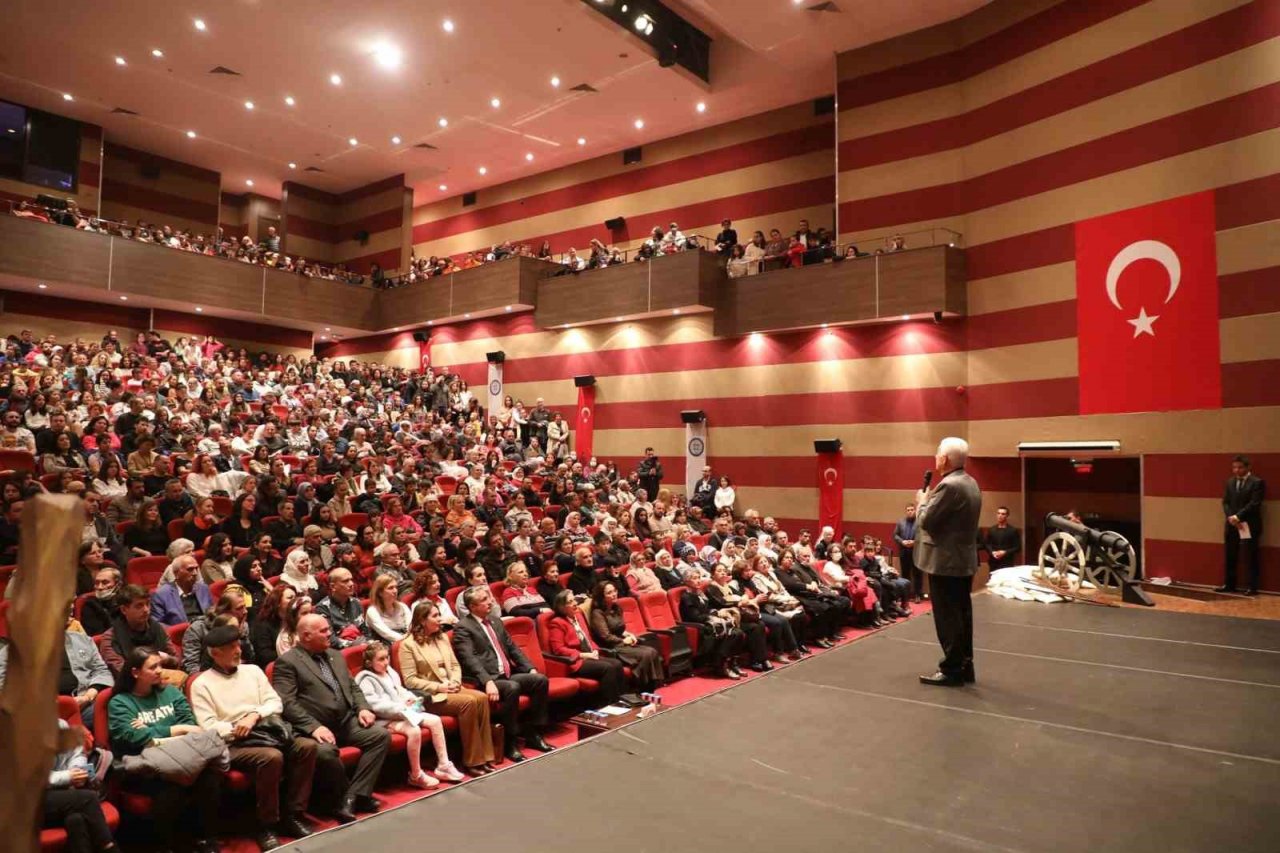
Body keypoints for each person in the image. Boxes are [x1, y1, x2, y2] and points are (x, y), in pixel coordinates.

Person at [190, 625, 318, 848]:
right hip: (234, 743)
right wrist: (238, 727)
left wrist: (254, 715)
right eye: (231, 647)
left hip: (267, 732)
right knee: (271, 757)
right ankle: (265, 825)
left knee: (307, 746)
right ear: (215, 653)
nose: (238, 650)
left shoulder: (253, 671)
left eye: (238, 644)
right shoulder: (201, 684)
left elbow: (275, 702)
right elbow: (208, 726)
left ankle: (293, 815)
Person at [272, 614, 391, 823]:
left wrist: (362, 708)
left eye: (329, 629)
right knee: (325, 753)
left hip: (345, 721)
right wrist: (313, 727)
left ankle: (352, 797)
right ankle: (345, 799)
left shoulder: (336, 655)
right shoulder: (287, 662)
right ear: (306, 636)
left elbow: (353, 687)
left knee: (380, 736)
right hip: (315, 727)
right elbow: (287, 702)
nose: (330, 634)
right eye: (324, 631)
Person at [107, 647, 222, 852]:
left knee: (209, 778)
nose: (160, 670)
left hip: (180, 757)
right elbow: (133, 738)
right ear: (135, 672)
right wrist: (176, 729)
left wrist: (153, 733)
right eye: (153, 667)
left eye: (160, 665)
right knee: (171, 789)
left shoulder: (169, 691)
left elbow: (191, 724)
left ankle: (206, 840)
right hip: (143, 765)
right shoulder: (119, 703)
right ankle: (169, 846)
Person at [451, 586, 553, 762]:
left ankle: (533, 732)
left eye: (488, 597)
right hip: (484, 680)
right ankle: (509, 742)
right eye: (483, 600)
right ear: (472, 607)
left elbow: (513, 648)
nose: (490, 601)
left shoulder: (495, 621)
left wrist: (530, 668)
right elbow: (469, 659)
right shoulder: (463, 628)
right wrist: (487, 681)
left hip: (506, 674)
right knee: (512, 688)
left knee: (540, 681)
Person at [915, 437, 982, 687]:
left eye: (937, 454)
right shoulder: (971, 482)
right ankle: (965, 665)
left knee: (947, 617)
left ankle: (952, 669)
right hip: (963, 560)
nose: (935, 458)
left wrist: (922, 501)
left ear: (943, 459)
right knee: (962, 614)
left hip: (945, 563)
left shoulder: (949, 486)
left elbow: (926, 521)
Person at [398, 602, 495, 775]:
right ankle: (472, 761)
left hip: (452, 686)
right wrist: (440, 686)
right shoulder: (407, 645)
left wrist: (455, 681)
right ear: (421, 620)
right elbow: (410, 680)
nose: (440, 620)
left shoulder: (442, 637)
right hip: (431, 695)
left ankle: (486, 757)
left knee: (481, 698)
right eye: (435, 616)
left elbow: (455, 665)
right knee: (469, 702)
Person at [354, 641, 466, 789]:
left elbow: (400, 690)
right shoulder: (365, 679)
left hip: (403, 713)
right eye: (381, 659)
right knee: (414, 730)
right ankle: (416, 775)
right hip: (384, 719)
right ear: (369, 663)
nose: (386, 662)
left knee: (435, 721)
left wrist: (411, 698)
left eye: (387, 657)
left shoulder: (390, 673)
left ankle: (443, 765)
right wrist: (401, 708)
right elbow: (375, 705)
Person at [42, 717, 118, 853]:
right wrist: (67, 776)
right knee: (87, 799)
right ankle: (110, 848)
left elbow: (77, 753)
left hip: (61, 794)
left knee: (76, 819)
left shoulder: (59, 723)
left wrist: (77, 770)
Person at [545, 589, 626, 706]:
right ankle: (609, 705)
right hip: (576, 661)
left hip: (590, 656)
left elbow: (588, 639)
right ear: (562, 607)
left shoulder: (578, 617)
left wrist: (595, 651)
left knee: (617, 664)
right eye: (570, 602)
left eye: (574, 600)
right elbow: (558, 649)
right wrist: (583, 655)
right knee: (607, 668)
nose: (575, 604)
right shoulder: (557, 623)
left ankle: (622, 700)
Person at [587, 581, 664, 690]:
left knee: (652, 651)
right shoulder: (597, 613)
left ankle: (652, 686)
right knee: (645, 654)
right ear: (602, 596)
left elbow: (619, 628)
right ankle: (638, 686)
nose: (614, 594)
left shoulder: (616, 607)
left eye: (614, 591)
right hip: (612, 648)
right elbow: (606, 636)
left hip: (622, 643)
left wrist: (628, 634)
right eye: (609, 593)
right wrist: (623, 641)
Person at [1218, 454, 1265, 596]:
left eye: (1240, 467)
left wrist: (1238, 517)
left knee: (1250, 555)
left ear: (1247, 467)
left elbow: (1255, 503)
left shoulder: (1257, 482)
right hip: (1232, 524)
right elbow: (1225, 501)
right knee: (1230, 555)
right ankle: (1229, 584)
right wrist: (1231, 517)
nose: (1236, 470)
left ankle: (1252, 587)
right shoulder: (1230, 482)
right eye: (1234, 467)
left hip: (1248, 524)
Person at [150, 554, 213, 627]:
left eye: (196, 568)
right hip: (181, 635)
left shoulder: (203, 588)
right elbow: (157, 625)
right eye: (190, 569)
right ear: (176, 573)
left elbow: (212, 613)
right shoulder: (161, 594)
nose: (195, 573)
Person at [365, 574, 413, 643]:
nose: (395, 591)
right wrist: (406, 640)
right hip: (385, 644)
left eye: (396, 587)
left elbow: (411, 626)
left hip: (406, 640)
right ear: (380, 593)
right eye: (390, 588)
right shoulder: (372, 611)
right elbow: (386, 633)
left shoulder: (402, 606)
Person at [894, 503, 925, 601]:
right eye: (908, 510)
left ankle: (917, 595)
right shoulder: (900, 522)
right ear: (906, 512)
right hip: (904, 552)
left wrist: (915, 542)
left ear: (915, 510)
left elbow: (924, 536)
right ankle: (905, 595)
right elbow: (895, 535)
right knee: (905, 574)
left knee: (917, 574)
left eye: (912, 509)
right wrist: (902, 542)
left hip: (916, 552)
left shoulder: (919, 522)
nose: (910, 511)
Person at [981, 506, 1022, 573]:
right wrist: (992, 552)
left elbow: (1018, 547)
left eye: (1003, 514)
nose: (1000, 515)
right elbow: (986, 544)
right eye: (998, 513)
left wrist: (1005, 552)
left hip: (1007, 562)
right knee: (993, 581)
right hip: (993, 562)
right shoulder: (991, 530)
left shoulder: (1012, 530)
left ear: (1007, 516)